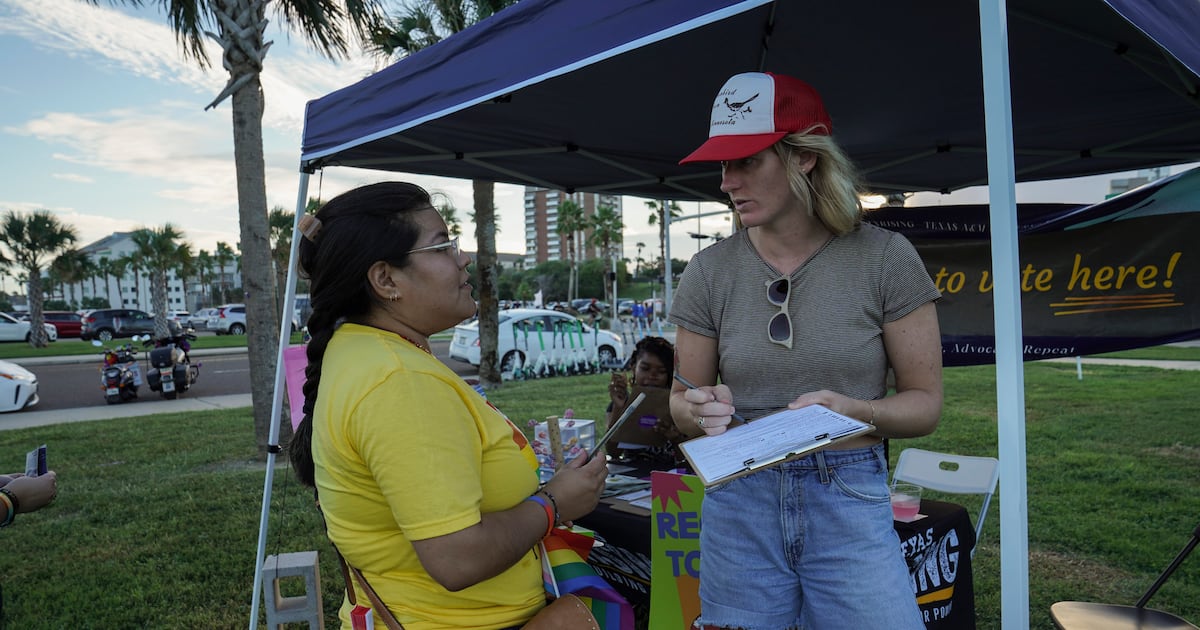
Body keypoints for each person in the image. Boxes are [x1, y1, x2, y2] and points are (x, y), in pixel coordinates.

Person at [669, 72, 943, 629]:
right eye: (723, 164)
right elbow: (680, 402)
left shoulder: (885, 258)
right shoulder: (709, 270)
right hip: (738, 499)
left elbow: (925, 405)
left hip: (848, 491)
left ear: (805, 157)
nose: (727, 181)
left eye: (748, 160)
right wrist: (700, 411)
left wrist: (857, 412)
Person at [287, 182, 610, 629]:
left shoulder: (364, 353)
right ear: (385, 280)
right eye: (442, 246)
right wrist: (555, 501)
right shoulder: (399, 381)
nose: (463, 258)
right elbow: (458, 559)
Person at [605, 336, 684, 462]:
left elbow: (687, 460)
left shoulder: (677, 405)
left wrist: (675, 438)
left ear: (669, 373)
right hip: (631, 475)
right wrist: (619, 408)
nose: (652, 376)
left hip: (668, 473)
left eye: (661, 371)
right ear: (633, 367)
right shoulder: (621, 402)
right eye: (645, 368)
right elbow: (613, 452)